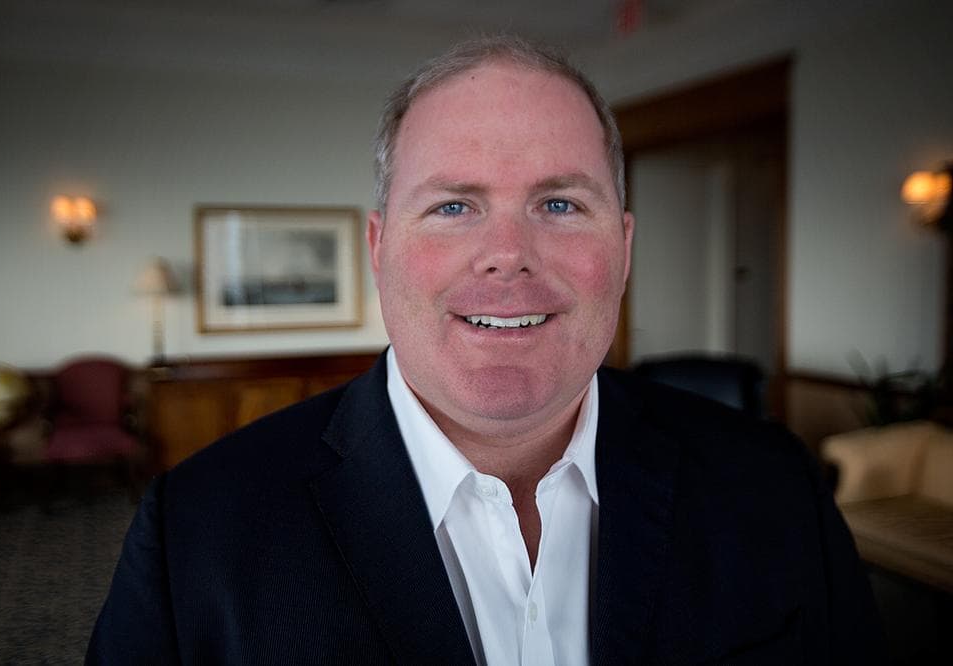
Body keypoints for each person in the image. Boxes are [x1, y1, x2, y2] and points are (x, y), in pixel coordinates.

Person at [88, 36, 882, 664]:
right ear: (379, 247)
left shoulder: (775, 485)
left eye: (561, 202)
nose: (508, 253)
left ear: (625, 248)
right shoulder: (195, 533)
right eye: (454, 205)